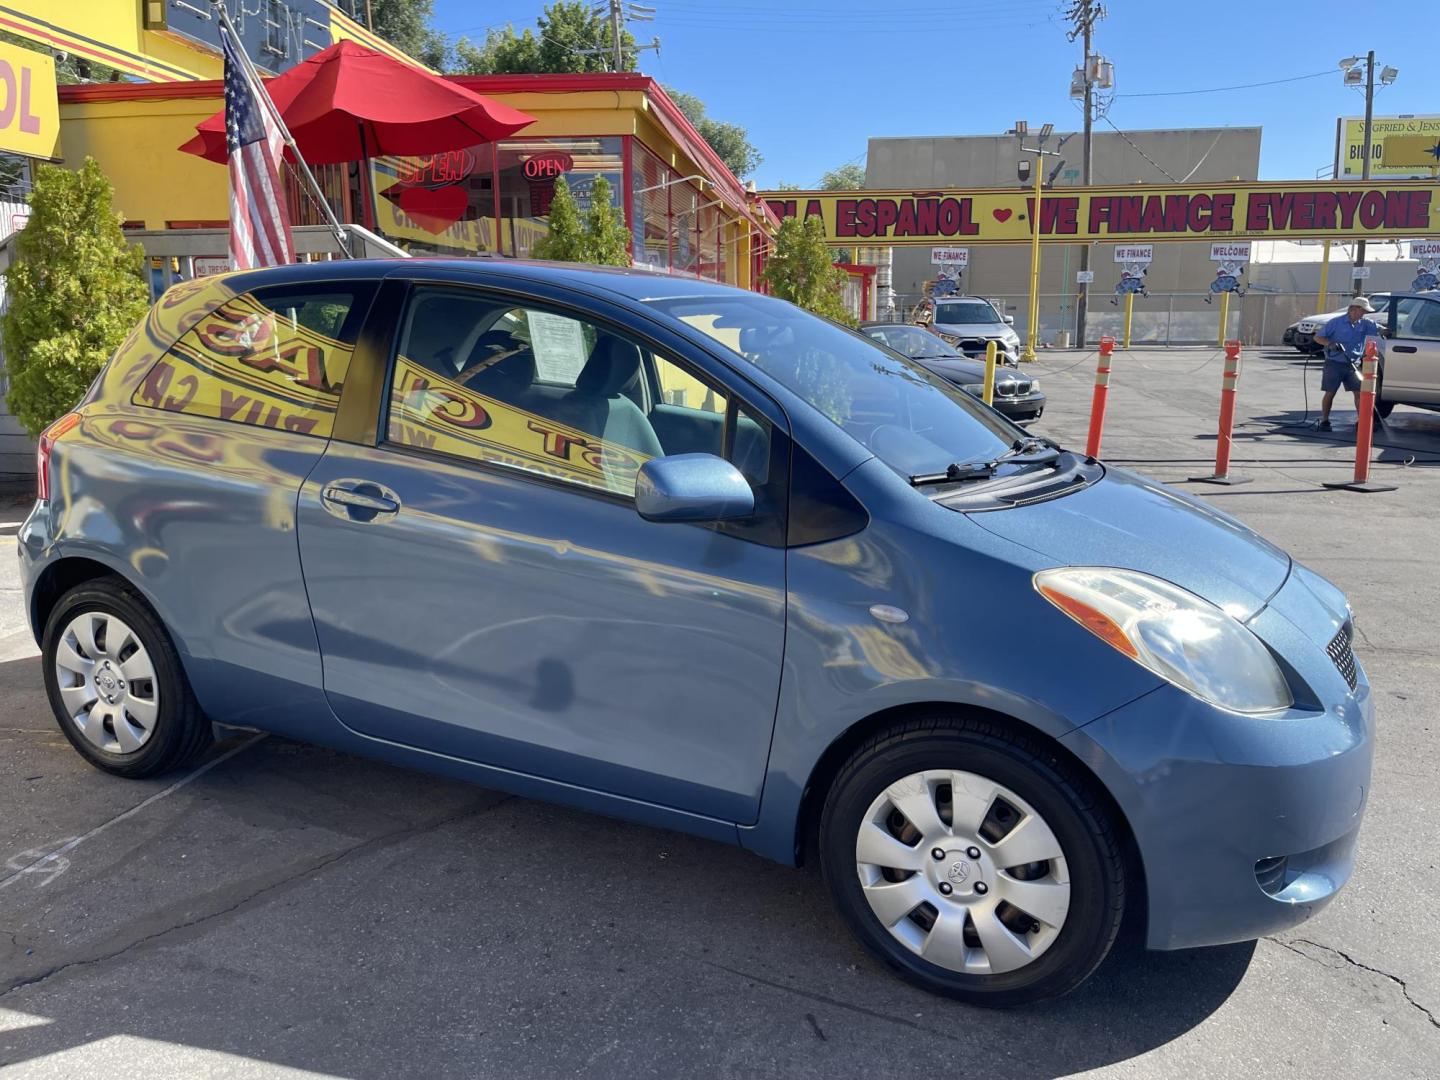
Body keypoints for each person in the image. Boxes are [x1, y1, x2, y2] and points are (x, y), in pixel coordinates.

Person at [1311, 295, 1380, 432]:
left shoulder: (1365, 323)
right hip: (1334, 363)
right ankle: (1325, 420)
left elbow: (1379, 329)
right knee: (1330, 392)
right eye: (1363, 311)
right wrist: (1330, 344)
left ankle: (1362, 421)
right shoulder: (1335, 322)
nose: (1364, 314)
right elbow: (1317, 337)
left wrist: (1386, 332)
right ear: (1354, 309)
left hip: (1353, 364)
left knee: (1359, 393)